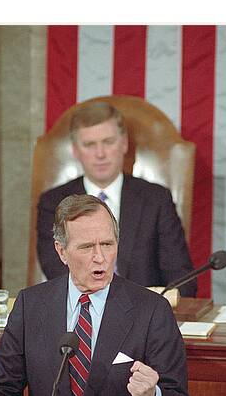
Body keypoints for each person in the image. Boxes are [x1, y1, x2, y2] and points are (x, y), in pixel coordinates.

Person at [0, 194, 191, 396]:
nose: (100, 258)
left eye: (107, 244)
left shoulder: (152, 310)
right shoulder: (30, 306)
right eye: (86, 247)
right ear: (61, 251)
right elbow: (4, 386)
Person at [36, 101, 197, 297]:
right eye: (89, 145)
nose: (100, 154)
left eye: (108, 142)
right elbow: (57, 272)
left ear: (124, 144)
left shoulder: (156, 199)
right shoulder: (53, 203)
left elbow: (182, 278)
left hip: (142, 316)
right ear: (76, 151)